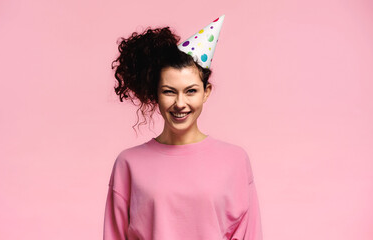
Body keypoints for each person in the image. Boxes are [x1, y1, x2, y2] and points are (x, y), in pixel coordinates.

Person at [104, 15, 263, 240]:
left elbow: (249, 234)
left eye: (191, 91)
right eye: (169, 91)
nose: (180, 103)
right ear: (155, 94)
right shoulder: (128, 164)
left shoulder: (235, 160)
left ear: (206, 92)